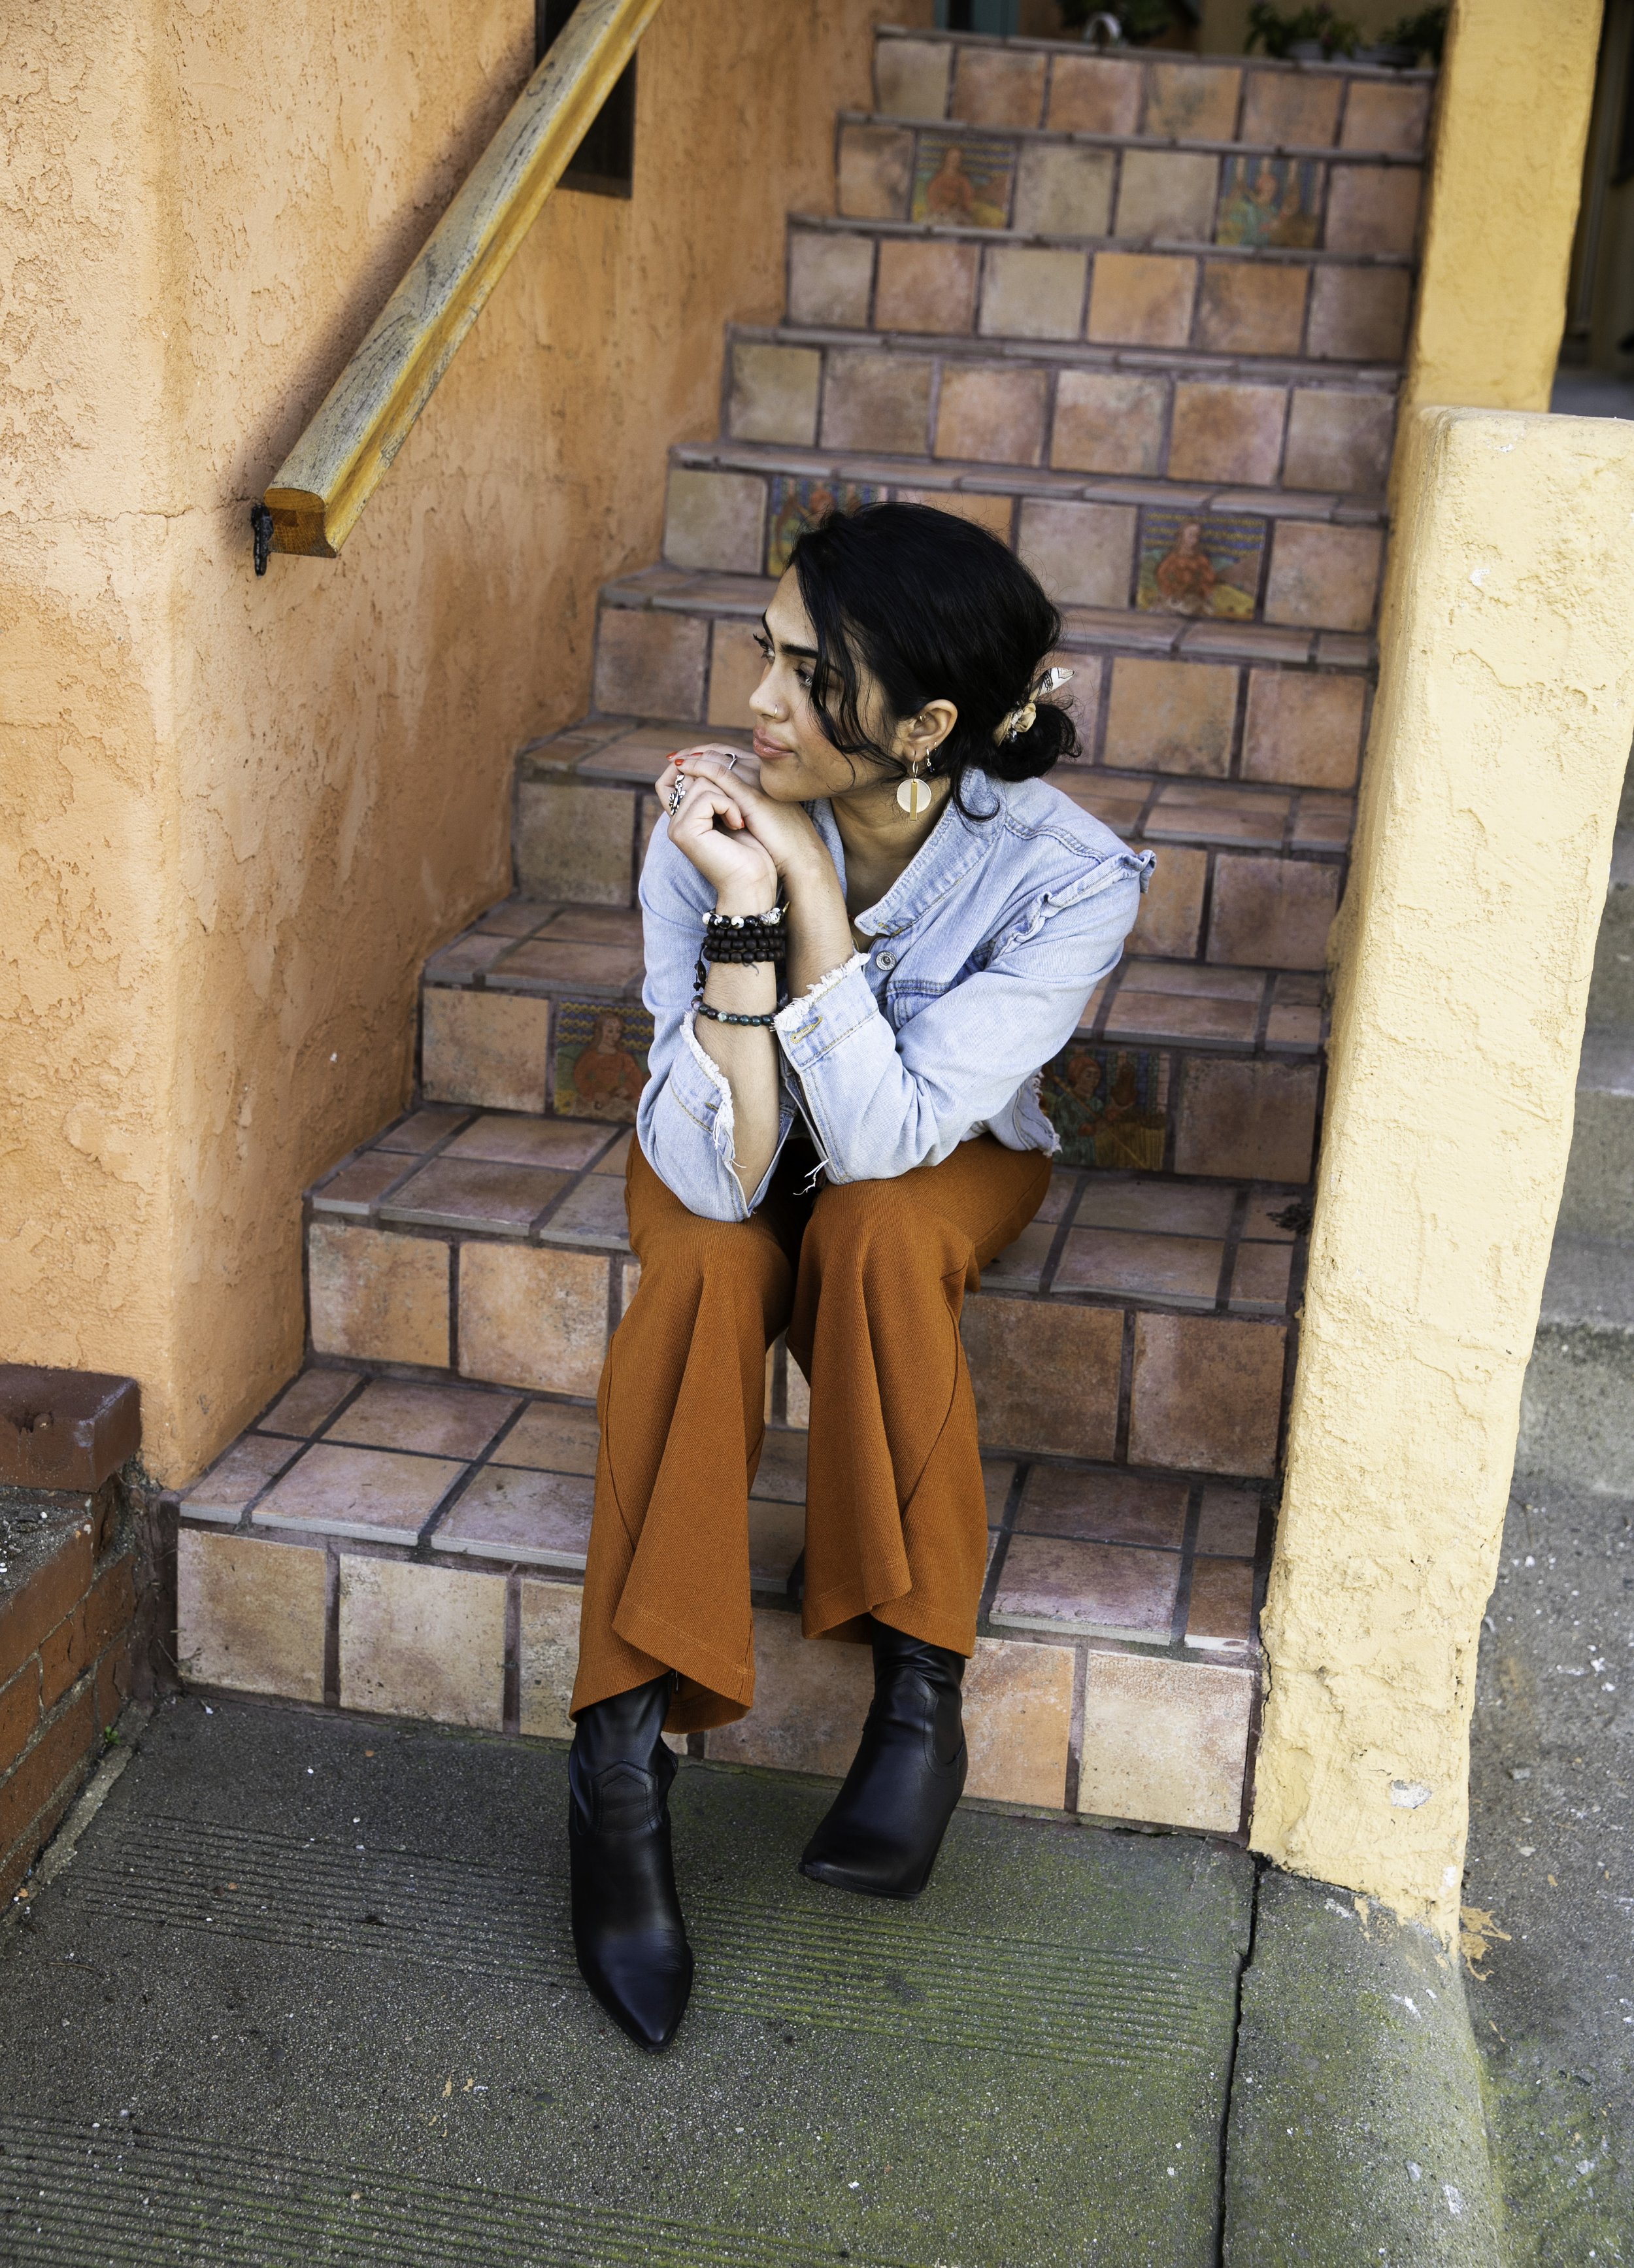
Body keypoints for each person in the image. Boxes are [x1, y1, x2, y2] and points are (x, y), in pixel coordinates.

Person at [565, 503, 1152, 2052]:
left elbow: (891, 1142)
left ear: (925, 725)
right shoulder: (710, 824)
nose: (754, 700)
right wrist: (744, 910)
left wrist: (814, 903)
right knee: (698, 1265)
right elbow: (714, 1170)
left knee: (877, 1235)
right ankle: (617, 1773)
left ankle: (916, 1689)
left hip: (933, 1160)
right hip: (728, 1125)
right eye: (762, 652)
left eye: (804, 673)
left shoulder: (1067, 880)